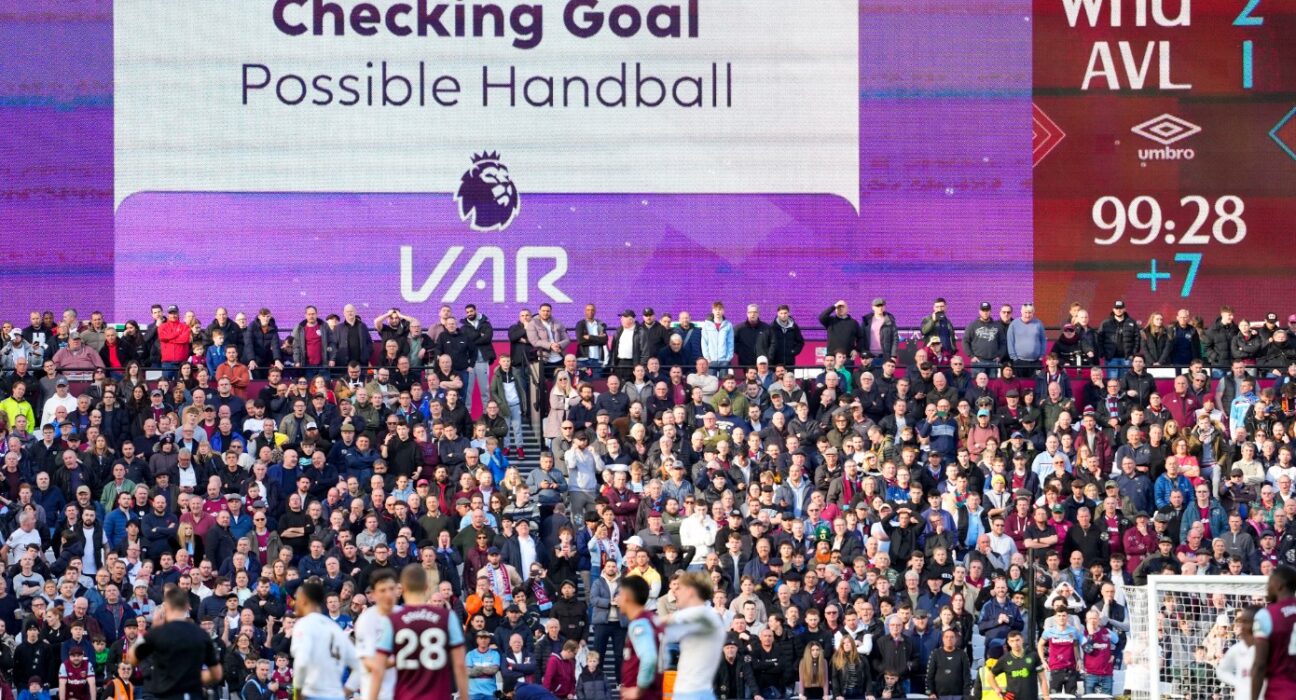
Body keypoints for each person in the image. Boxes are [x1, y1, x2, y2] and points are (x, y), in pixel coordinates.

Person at [376, 565, 471, 700]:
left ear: (403, 588)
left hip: (406, 695)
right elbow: (460, 664)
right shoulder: (448, 617)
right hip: (438, 695)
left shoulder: (393, 620)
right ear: (426, 587)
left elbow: (378, 667)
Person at [126, 586, 224, 700]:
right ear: (187, 606)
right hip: (192, 695)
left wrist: (151, 630)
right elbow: (217, 674)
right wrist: (192, 678)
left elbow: (131, 658)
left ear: (166, 606)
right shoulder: (201, 634)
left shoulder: (157, 633)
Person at [291, 579, 362, 700]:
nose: (294, 603)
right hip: (336, 695)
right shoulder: (335, 629)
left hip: (312, 694)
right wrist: (345, 692)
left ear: (304, 600)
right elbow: (360, 667)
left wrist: (297, 694)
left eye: (297, 599)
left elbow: (301, 662)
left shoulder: (304, 624)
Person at [660, 571, 726, 700]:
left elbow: (653, 624)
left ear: (690, 592)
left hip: (693, 694)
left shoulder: (702, 617)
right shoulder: (704, 615)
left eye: (679, 589)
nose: (675, 592)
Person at [1251, 565, 1296, 700]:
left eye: (1269, 583)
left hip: (1281, 692)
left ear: (1279, 585)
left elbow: (1259, 665)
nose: (1267, 588)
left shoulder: (1266, 615)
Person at [618, 575, 663, 700]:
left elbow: (649, 658)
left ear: (626, 596)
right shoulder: (652, 619)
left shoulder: (639, 624)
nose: (617, 599)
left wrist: (639, 690)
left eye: (619, 594)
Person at [357, 568, 398, 700]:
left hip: (402, 692)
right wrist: (401, 659)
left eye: (391, 589)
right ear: (373, 595)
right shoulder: (366, 620)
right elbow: (369, 663)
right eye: (382, 590)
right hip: (377, 694)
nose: (388, 594)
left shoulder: (404, 616)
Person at [1217, 606, 1255, 700]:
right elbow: (1222, 668)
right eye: (1237, 626)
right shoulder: (1231, 643)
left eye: (1242, 626)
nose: (1240, 629)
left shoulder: (1256, 643)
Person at [997, 631, 1046, 700]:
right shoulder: (1004, 659)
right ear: (1008, 643)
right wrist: (997, 689)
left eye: (1017, 640)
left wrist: (1046, 696)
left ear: (1022, 640)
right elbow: (990, 676)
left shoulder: (1033, 656)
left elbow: (1042, 679)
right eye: (1012, 641)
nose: (1015, 643)